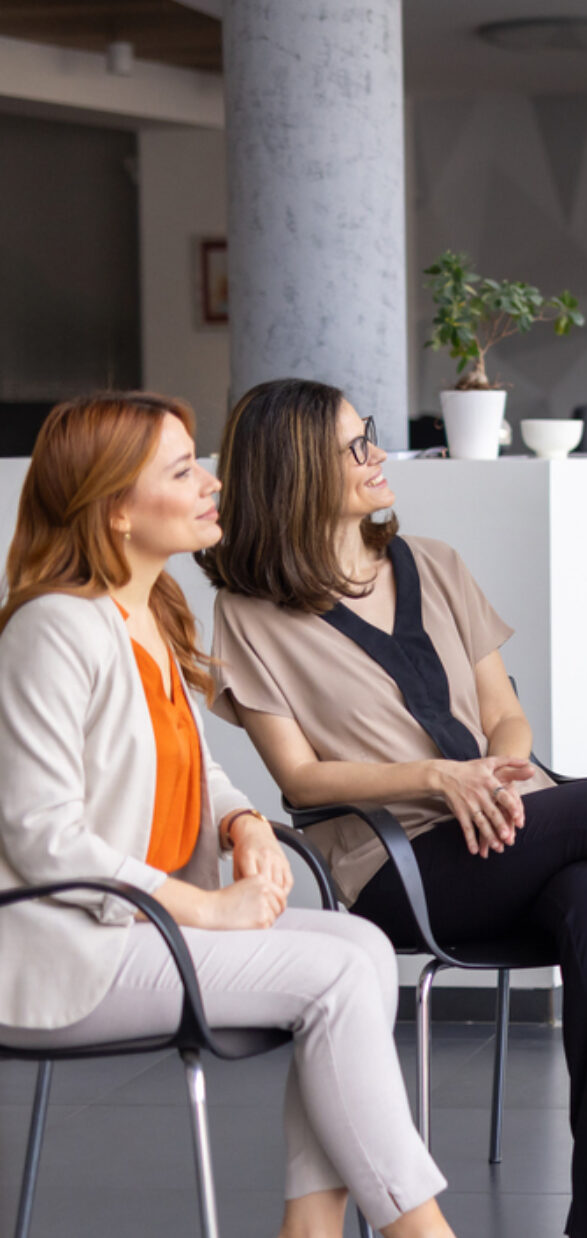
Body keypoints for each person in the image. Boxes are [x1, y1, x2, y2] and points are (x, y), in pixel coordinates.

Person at [197, 379, 587, 1238]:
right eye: (353, 447)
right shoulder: (251, 614)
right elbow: (300, 780)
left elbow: (503, 713)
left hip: (504, 829)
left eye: (370, 436)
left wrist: (502, 768)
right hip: (399, 864)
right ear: (295, 471)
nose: (378, 454)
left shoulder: (435, 563)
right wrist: (436, 782)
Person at [0, 393, 454, 1238]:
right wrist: (207, 907)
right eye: (182, 472)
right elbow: (42, 834)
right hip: (70, 952)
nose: (212, 483)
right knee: (334, 974)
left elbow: (193, 767)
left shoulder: (145, 612)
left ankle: (313, 1232)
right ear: (116, 509)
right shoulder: (53, 629)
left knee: (359, 944)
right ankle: (418, 1232)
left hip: (140, 930)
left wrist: (242, 823)